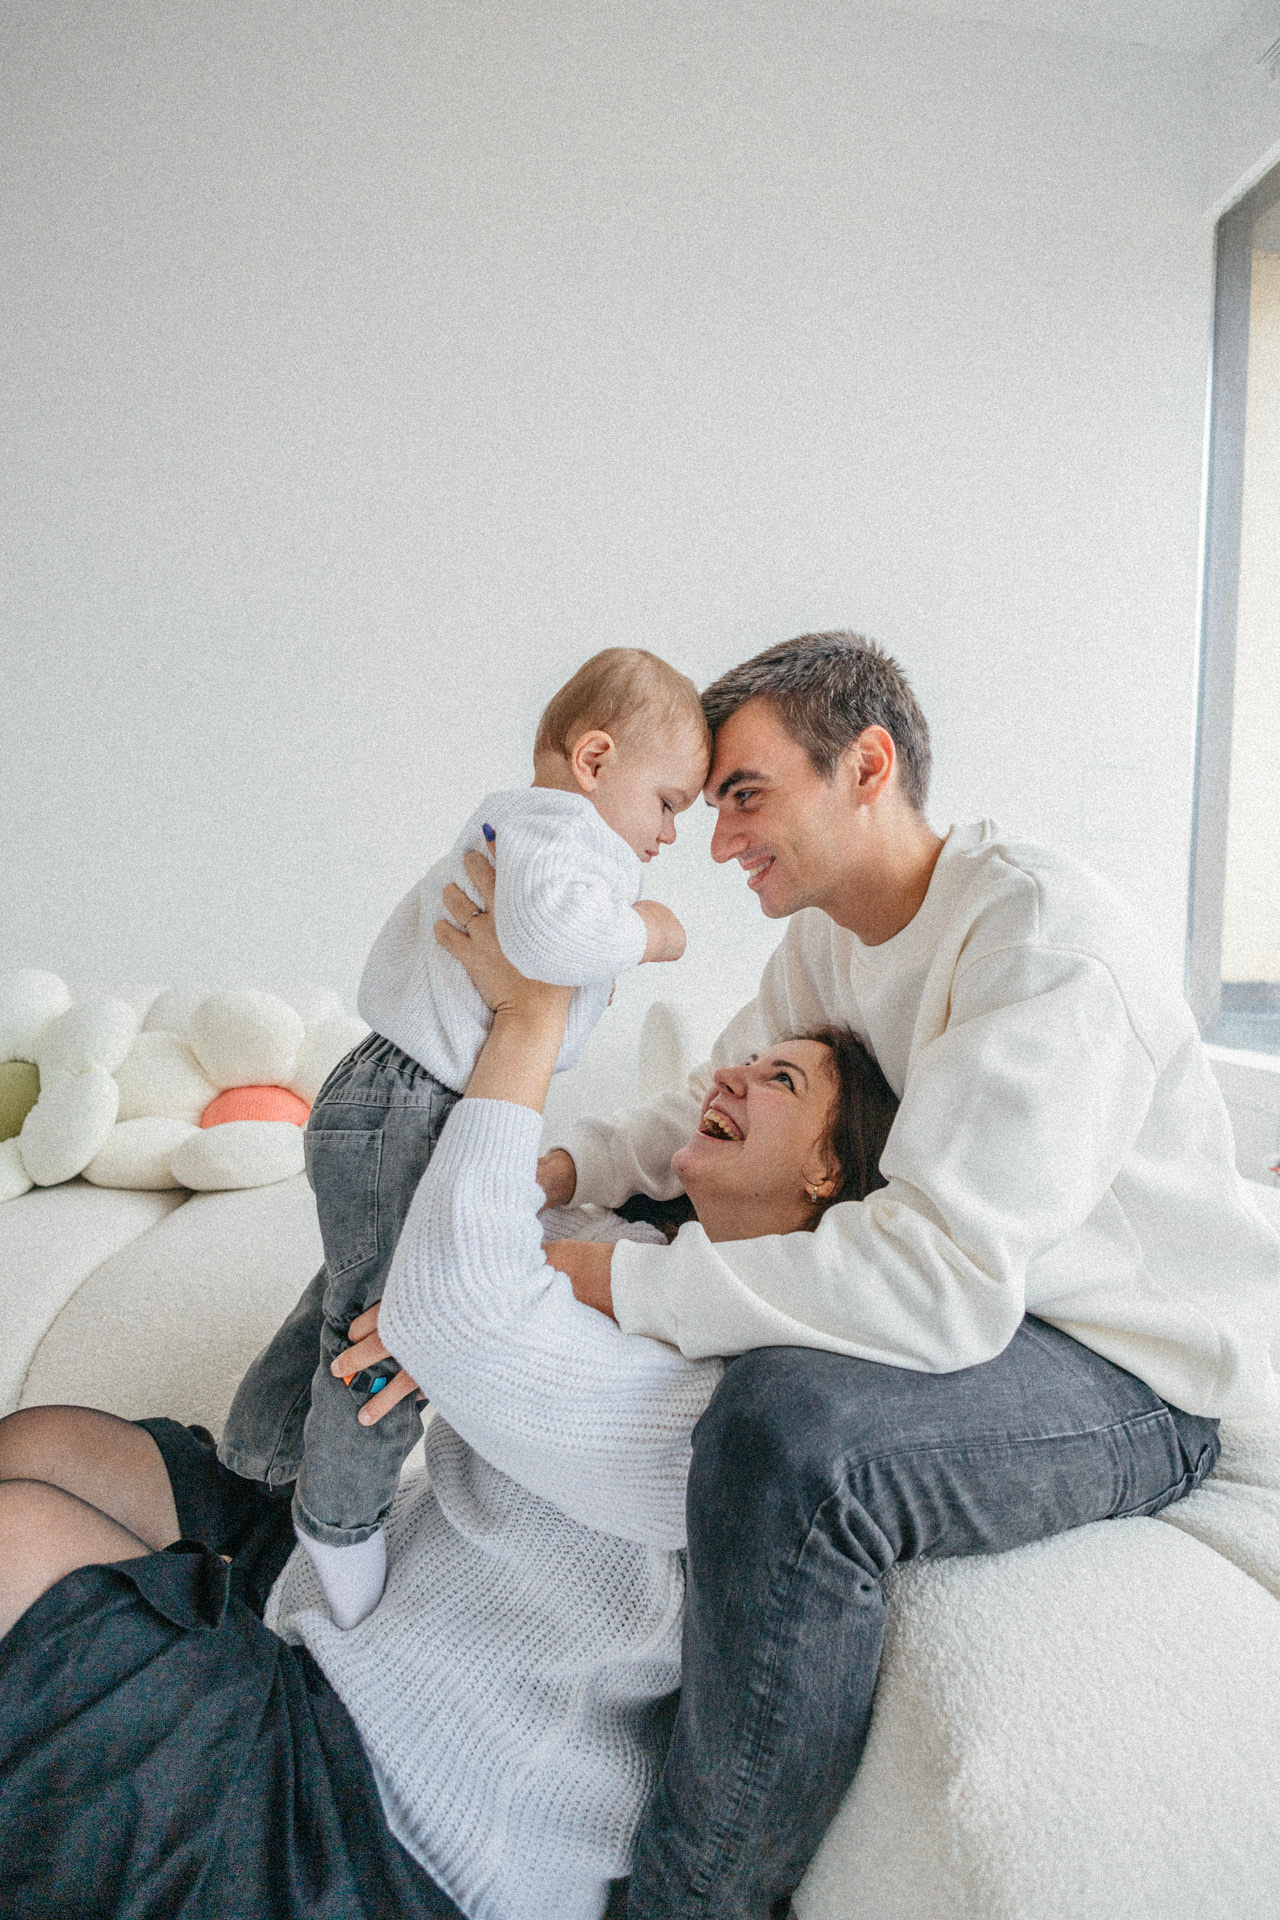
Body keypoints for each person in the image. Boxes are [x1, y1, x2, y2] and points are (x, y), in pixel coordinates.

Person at [0, 852, 897, 1920]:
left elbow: (464, 1302)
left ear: (828, 1172)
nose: (732, 1080)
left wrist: (532, 1021)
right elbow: (438, 1236)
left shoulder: (758, 1394)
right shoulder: (624, 1245)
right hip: (334, 1603)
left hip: (386, 1819)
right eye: (746, 1063)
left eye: (782, 1082)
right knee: (43, 1443)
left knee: (14, 1535)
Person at [537, 630, 1280, 1918]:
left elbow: (936, 1282)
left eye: (745, 796)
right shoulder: (825, 943)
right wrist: (553, 1173)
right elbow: (706, 1101)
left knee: (793, 1434)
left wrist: (607, 1283)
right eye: (710, 807)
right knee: (579, 1204)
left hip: (1134, 1369)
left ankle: (692, 1902)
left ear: (866, 766)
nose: (719, 842)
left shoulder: (1038, 943)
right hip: (1001, 1304)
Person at [217, 646, 709, 1629]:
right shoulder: (558, 830)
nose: (667, 834)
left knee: (346, 1296)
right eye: (665, 804)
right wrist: (653, 931)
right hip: (410, 1102)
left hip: (396, 1097)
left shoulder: (541, 832)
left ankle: (256, 1462)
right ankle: (340, 1526)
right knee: (395, 1321)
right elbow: (554, 939)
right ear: (594, 760)